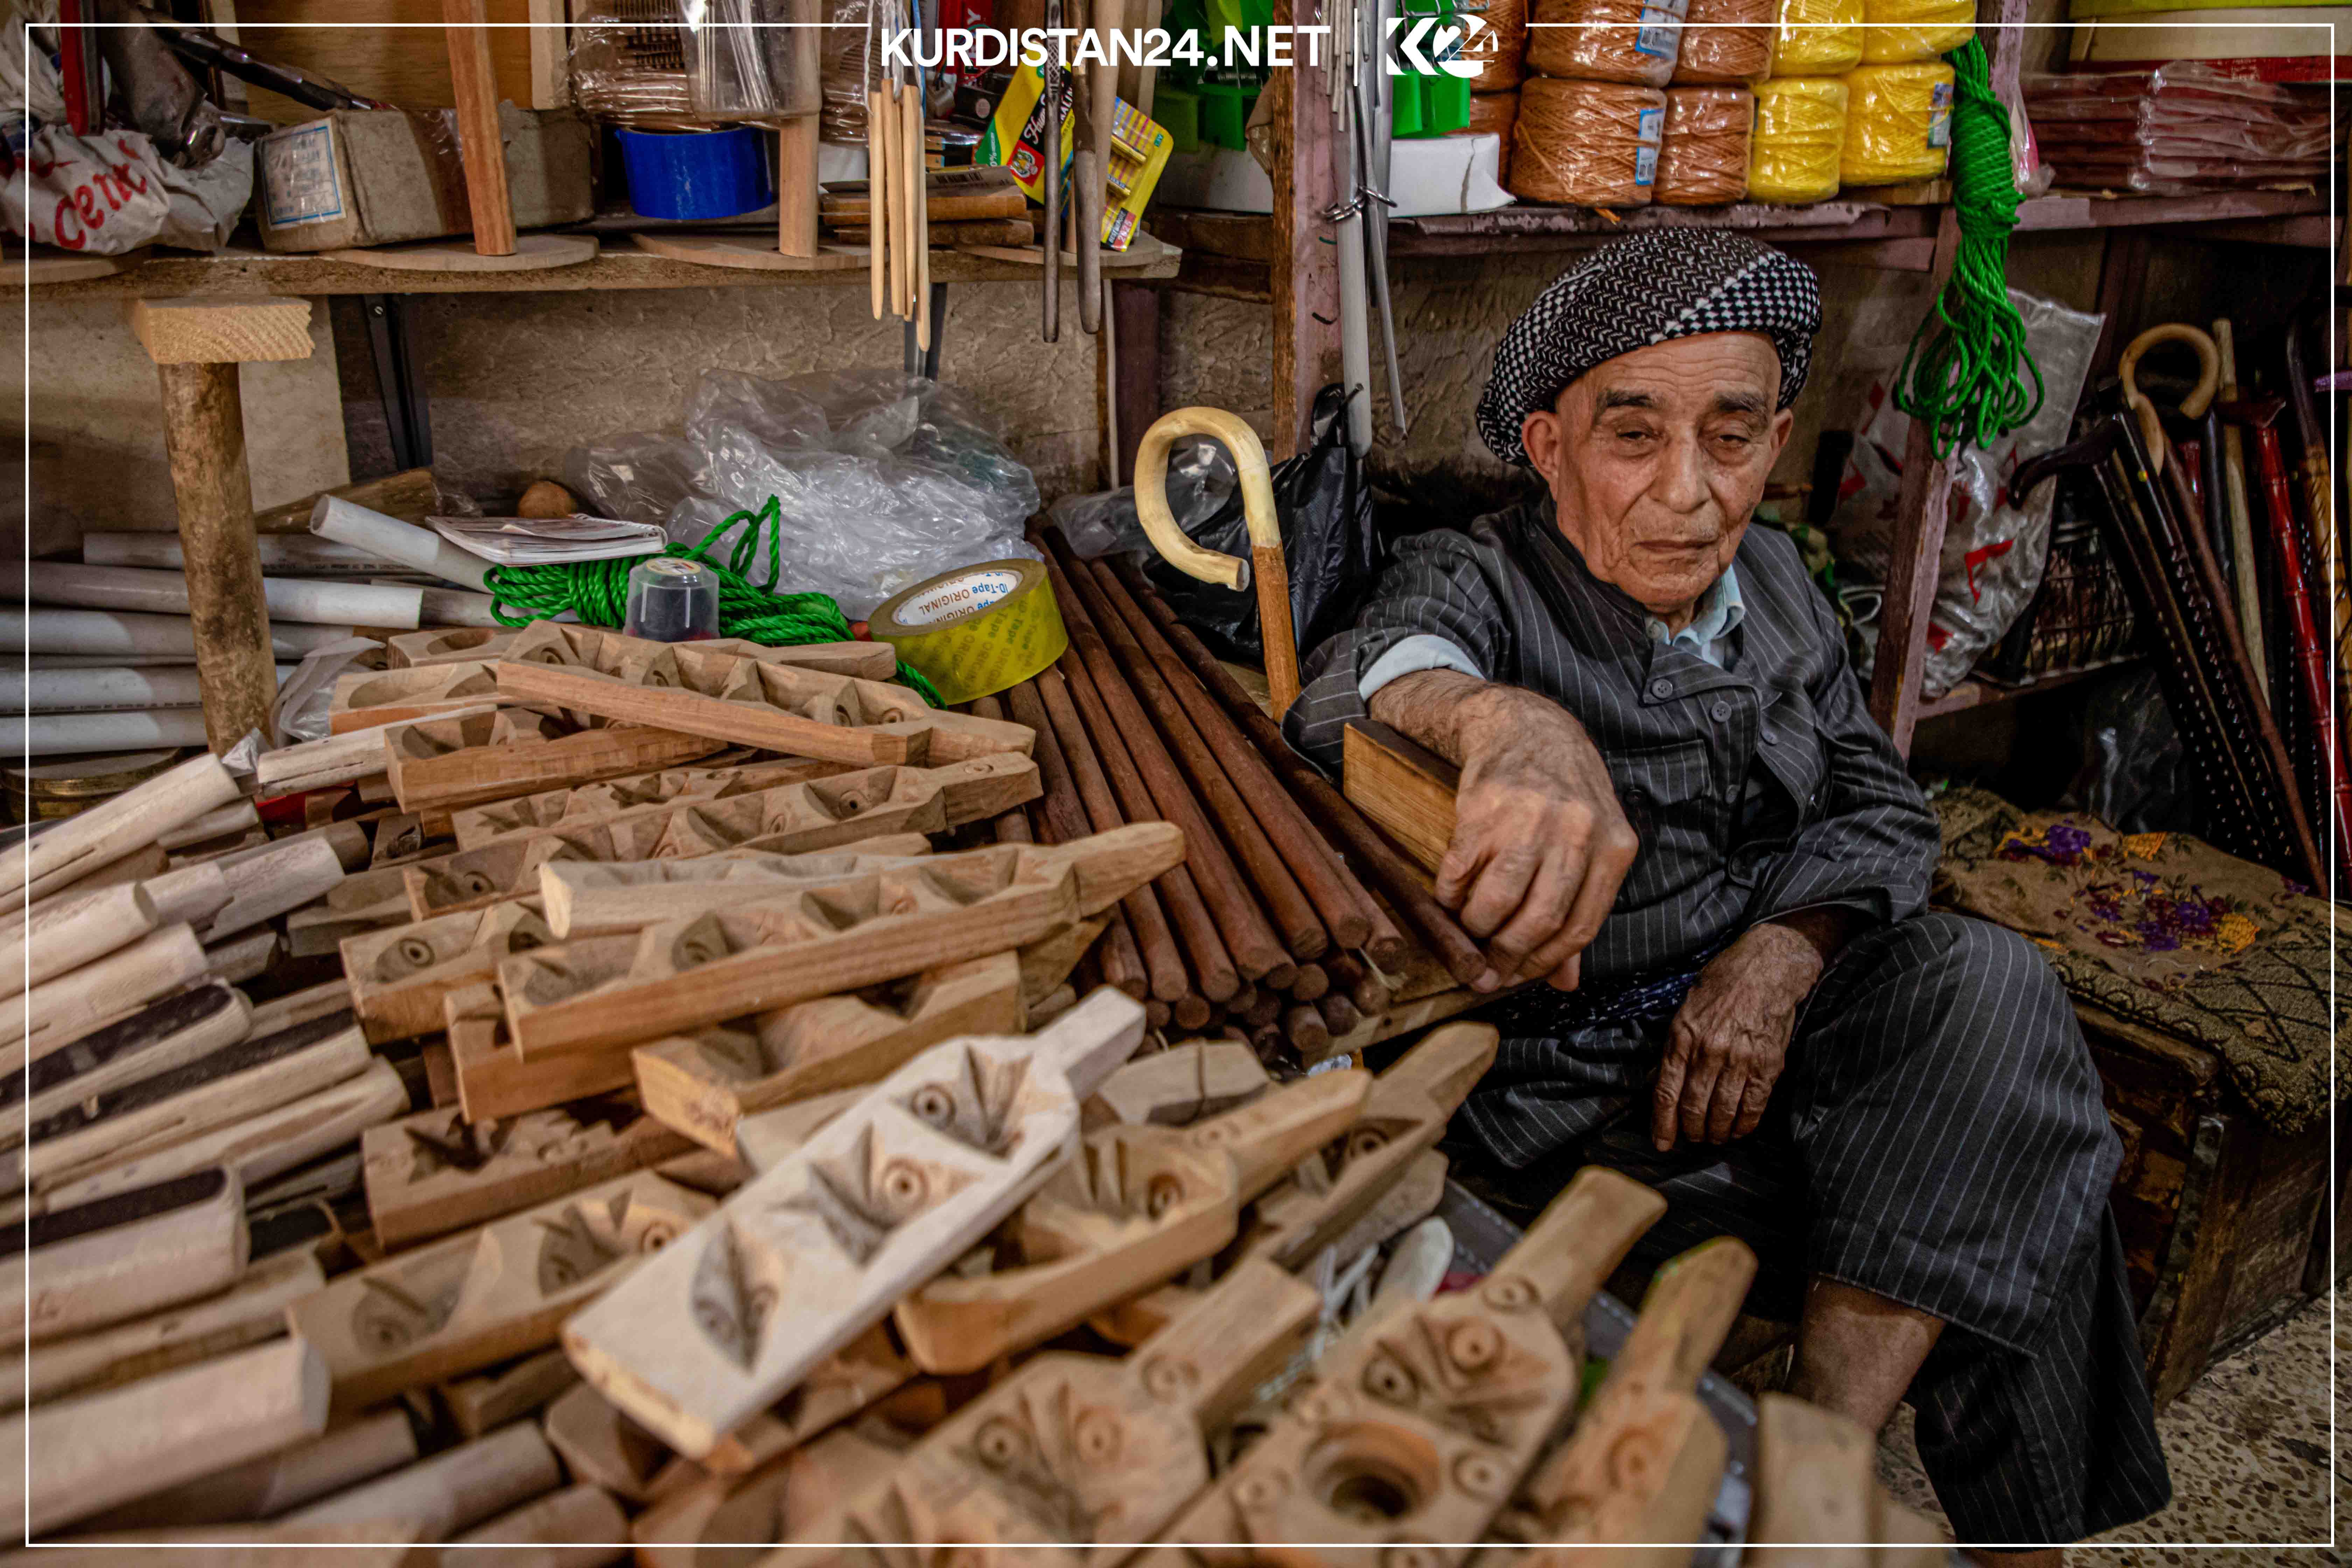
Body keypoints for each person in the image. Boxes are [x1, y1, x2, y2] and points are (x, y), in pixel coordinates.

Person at [1283, 231, 2169, 1551]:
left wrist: (1782, 956)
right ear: (1549, 448)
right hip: (1569, 1112)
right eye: (1632, 437)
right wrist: (1500, 722)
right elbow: (1354, 681)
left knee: (1995, 1011)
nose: (1689, 494)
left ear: (1774, 436)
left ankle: (1820, 1464)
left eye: (1734, 436)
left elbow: (1879, 805)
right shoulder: (1483, 580)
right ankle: (1809, 1508)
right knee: (2029, 1168)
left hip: (1763, 1063)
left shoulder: (1776, 586)